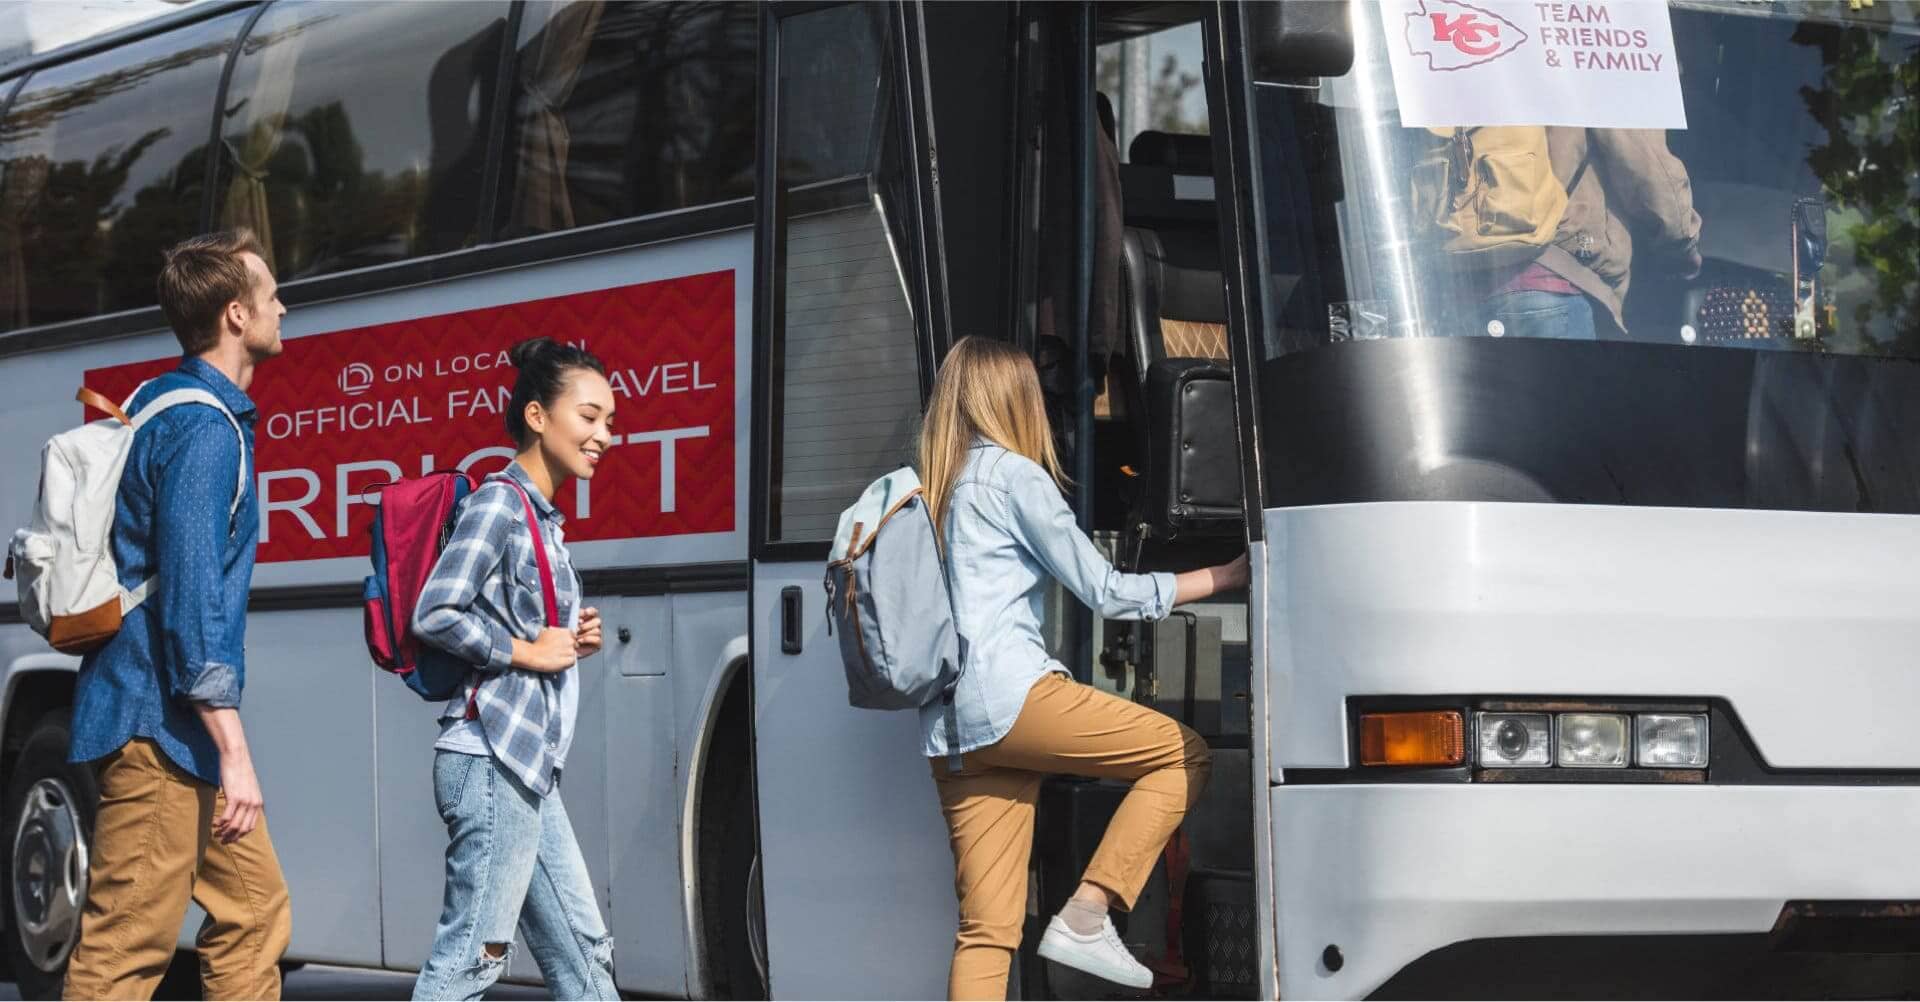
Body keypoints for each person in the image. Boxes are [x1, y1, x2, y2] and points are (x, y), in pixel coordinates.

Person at [917, 336, 1248, 1000]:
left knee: (986, 932)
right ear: (1016, 399)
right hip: (1011, 698)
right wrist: (1226, 575)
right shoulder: (1012, 476)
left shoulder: (930, 483)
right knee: (1182, 754)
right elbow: (1104, 590)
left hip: (950, 728)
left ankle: (1085, 916)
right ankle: (1090, 910)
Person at [62, 229, 293, 1000]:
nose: (282, 306)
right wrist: (236, 751)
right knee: (124, 952)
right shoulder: (201, 430)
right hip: (159, 727)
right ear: (236, 315)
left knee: (255, 913)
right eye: (269, 295)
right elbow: (193, 607)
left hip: (171, 725)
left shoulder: (160, 402)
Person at [409, 337, 616, 1001]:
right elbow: (435, 611)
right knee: (471, 959)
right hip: (491, 759)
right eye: (589, 417)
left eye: (608, 421)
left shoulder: (544, 520)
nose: (604, 436)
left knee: (586, 959)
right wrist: (528, 651)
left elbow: (514, 619)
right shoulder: (500, 504)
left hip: (526, 767)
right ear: (536, 416)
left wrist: (568, 638)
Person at [1457, 126, 1702, 340]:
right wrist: (1682, 242)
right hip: (1555, 278)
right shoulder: (1594, 71)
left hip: (1454, 289)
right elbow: (1647, 164)